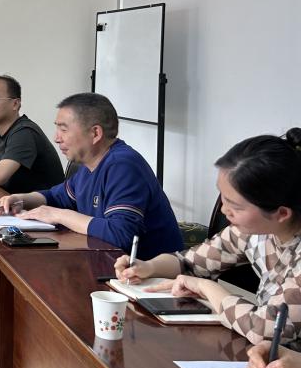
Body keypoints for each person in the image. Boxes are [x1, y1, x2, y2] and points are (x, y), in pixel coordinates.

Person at [117, 128, 301, 351]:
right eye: (222, 197)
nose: (224, 210)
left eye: (235, 206)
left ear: (282, 213)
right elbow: (189, 262)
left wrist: (206, 288)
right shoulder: (251, 232)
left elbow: (264, 329)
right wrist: (148, 266)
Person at [0, 92, 183, 259]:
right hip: (110, 265)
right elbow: (56, 196)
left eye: (63, 129)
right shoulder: (89, 165)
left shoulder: (123, 165)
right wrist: (20, 199)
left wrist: (58, 215)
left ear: (95, 133)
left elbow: (121, 235)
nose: (56, 138)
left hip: (152, 278)